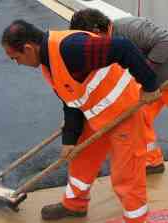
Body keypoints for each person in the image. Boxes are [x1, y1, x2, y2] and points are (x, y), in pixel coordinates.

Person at [1, 20, 161, 223]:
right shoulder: (48, 62)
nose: (17, 63)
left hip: (124, 113)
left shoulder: (71, 48)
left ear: (28, 48)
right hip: (95, 115)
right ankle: (74, 206)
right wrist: (69, 139)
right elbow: (71, 101)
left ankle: (136, 219)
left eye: (16, 58)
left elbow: (123, 47)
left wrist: (149, 85)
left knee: (126, 174)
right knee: (81, 158)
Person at [69, 8, 168, 174]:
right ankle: (152, 161)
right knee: (139, 118)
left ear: (96, 31)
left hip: (161, 78)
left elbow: (165, 40)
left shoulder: (130, 28)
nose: (87, 45)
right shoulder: (101, 46)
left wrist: (145, 73)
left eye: (88, 39)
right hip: (152, 86)